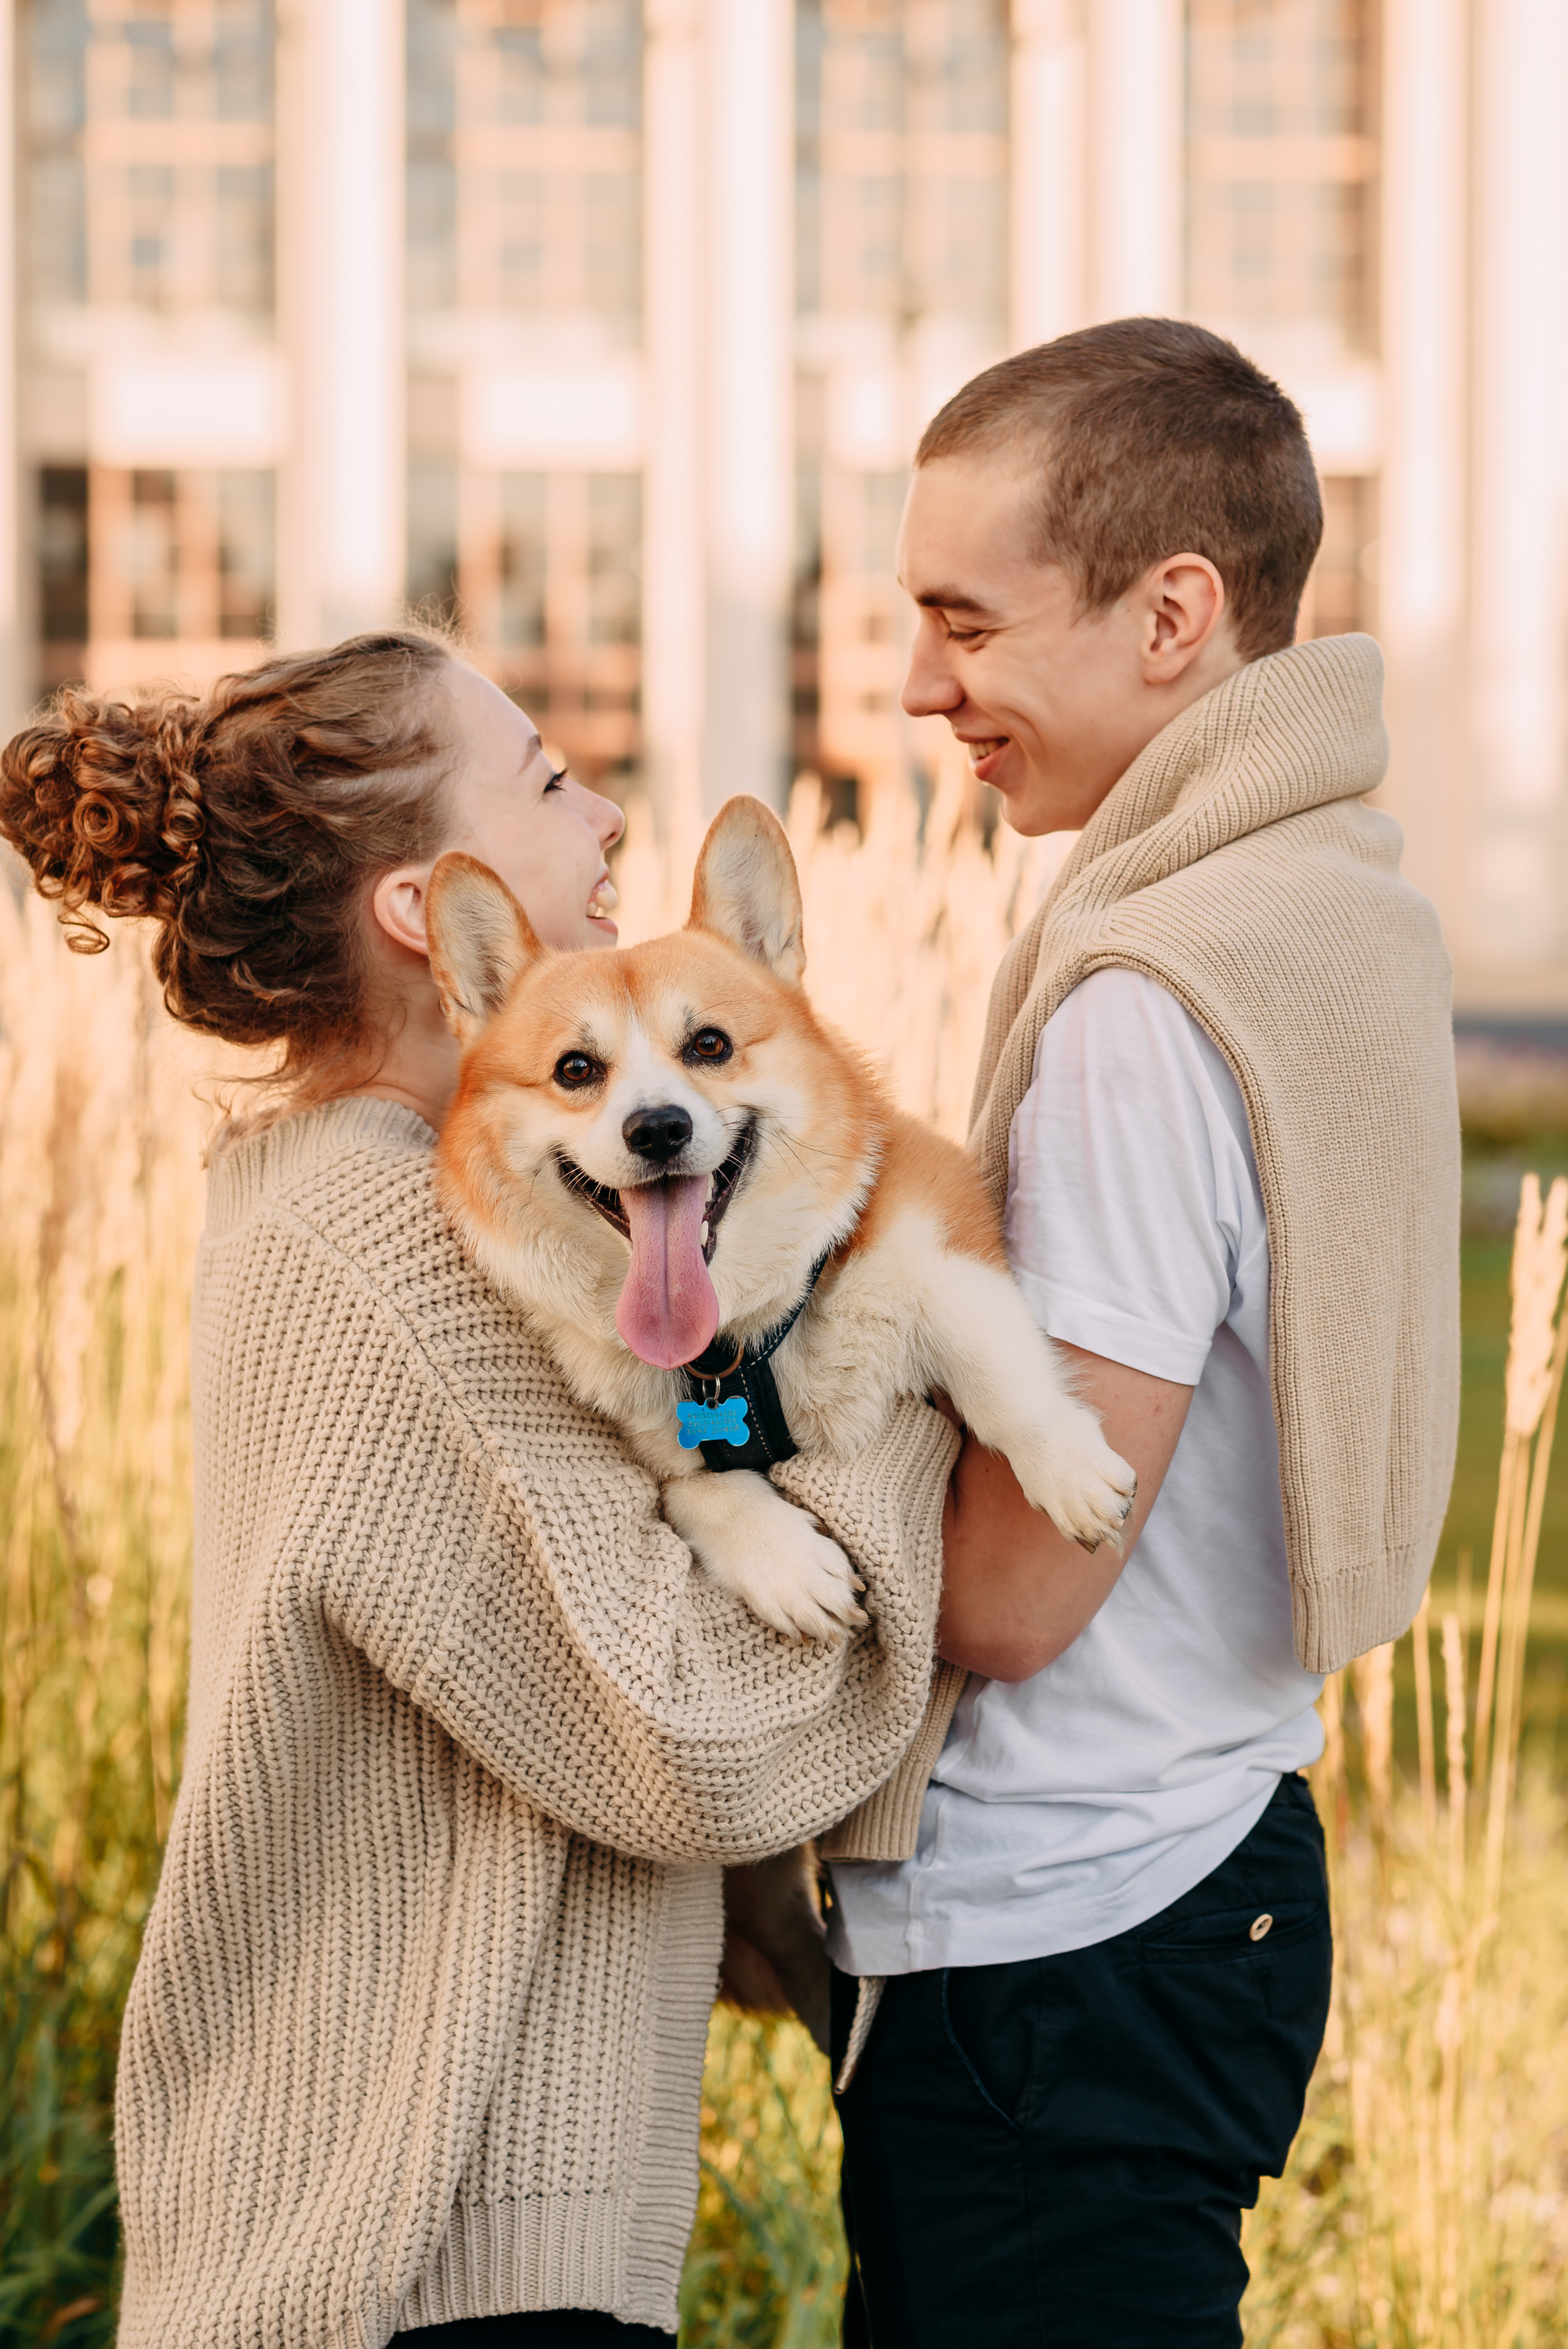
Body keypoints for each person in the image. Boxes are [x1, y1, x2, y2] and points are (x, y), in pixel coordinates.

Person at [0, 632, 961, 2349]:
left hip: (434, 2237)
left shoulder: (437, 1213)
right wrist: (906, 1398)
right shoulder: (390, 1250)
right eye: (546, 781)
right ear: (420, 913)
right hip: (415, 2255)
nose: (606, 818)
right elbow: (687, 1728)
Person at [820, 319, 1460, 2347]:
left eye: (965, 622)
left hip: (1062, 1933)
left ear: (1172, 614)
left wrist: (735, 1429)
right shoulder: (1334, 903)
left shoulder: (1142, 1005)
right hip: (1206, 1853)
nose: (919, 685)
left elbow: (1019, 1590)